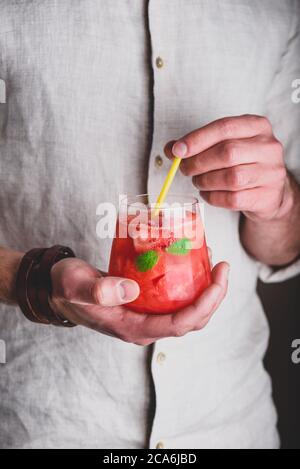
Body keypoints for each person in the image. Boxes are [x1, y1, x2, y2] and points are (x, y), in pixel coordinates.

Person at [0, 0, 299, 449]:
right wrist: (38, 282)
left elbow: (285, 244)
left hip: (232, 422)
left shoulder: (276, 12)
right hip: (46, 424)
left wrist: (279, 205)